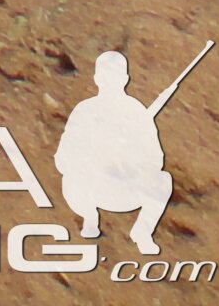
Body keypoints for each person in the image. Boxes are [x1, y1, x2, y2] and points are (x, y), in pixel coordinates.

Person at [56, 52, 176, 256]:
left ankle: (143, 232)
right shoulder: (85, 111)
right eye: (106, 77)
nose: (110, 82)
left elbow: (156, 159)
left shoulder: (137, 113)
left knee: (163, 180)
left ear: (125, 79)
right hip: (90, 189)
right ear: (97, 79)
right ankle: (90, 218)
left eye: (114, 77)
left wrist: (130, 159)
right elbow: (63, 158)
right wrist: (92, 158)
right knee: (71, 179)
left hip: (126, 189)